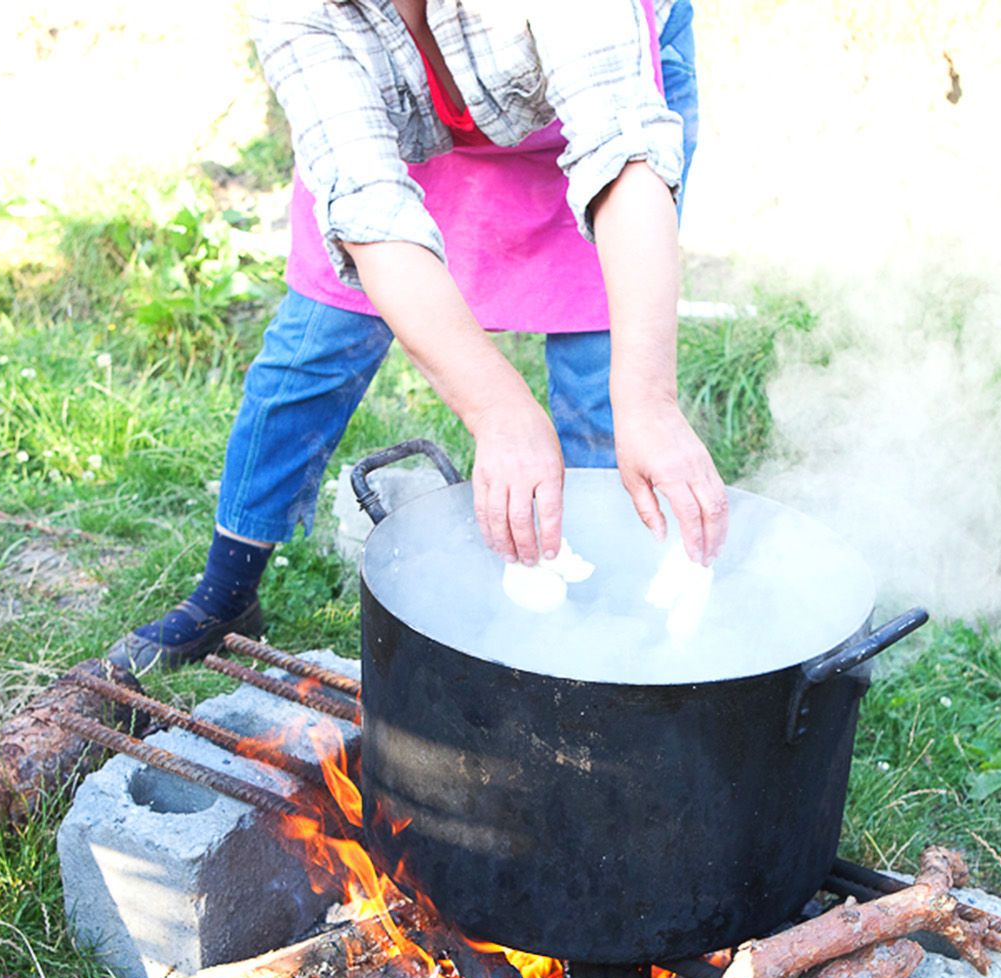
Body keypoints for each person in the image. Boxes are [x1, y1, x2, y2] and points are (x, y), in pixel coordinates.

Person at [108, 0, 729, 672]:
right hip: (398, 139)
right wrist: (499, 412)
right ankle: (225, 591)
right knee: (314, 346)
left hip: (580, 118)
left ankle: (606, 627)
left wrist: (650, 398)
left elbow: (622, 152)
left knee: (602, 367)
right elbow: (369, 215)